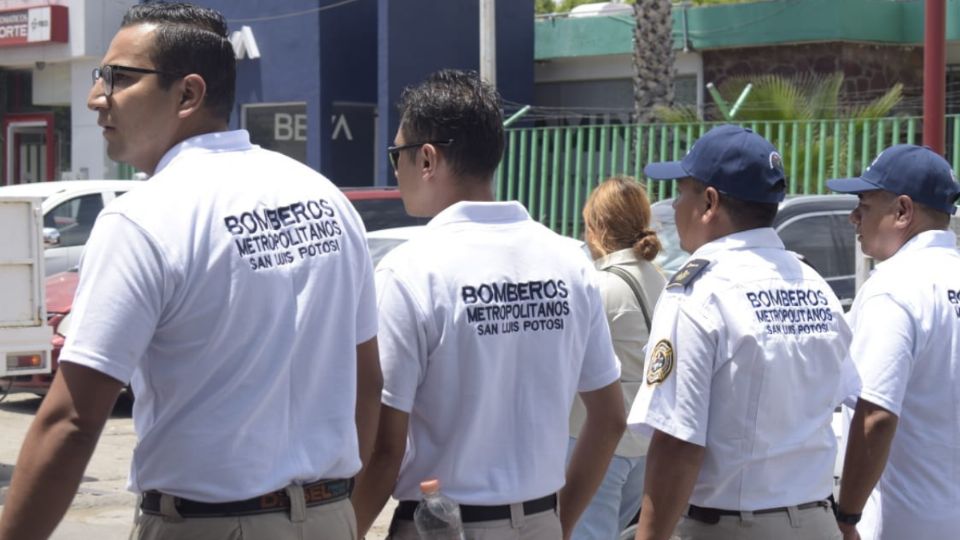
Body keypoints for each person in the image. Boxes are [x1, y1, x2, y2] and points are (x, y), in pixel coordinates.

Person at [0, 3, 381, 540]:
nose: (96, 97)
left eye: (120, 78)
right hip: (330, 516)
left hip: (211, 525)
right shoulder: (325, 198)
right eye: (100, 77)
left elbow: (72, 420)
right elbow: (368, 383)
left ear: (188, 94)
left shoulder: (144, 215)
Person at [350, 69, 626, 540]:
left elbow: (383, 451)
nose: (394, 170)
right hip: (539, 519)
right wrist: (559, 521)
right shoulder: (568, 261)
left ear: (428, 159)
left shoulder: (411, 271)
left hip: (444, 525)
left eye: (396, 155)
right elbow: (610, 418)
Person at [627, 124, 857, 540]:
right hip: (818, 522)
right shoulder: (814, 285)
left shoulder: (698, 292)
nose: (674, 207)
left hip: (732, 526)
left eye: (682, 192)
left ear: (709, 202)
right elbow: (844, 401)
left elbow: (678, 441)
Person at [827, 144, 960, 540]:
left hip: (905, 524)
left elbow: (876, 415)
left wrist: (847, 516)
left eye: (864, 204)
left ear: (902, 211)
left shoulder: (895, 286)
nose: (854, 216)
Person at [567, 176, 666, 540]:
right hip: (645, 443)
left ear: (597, 227)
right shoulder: (662, 280)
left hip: (593, 441)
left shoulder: (598, 286)